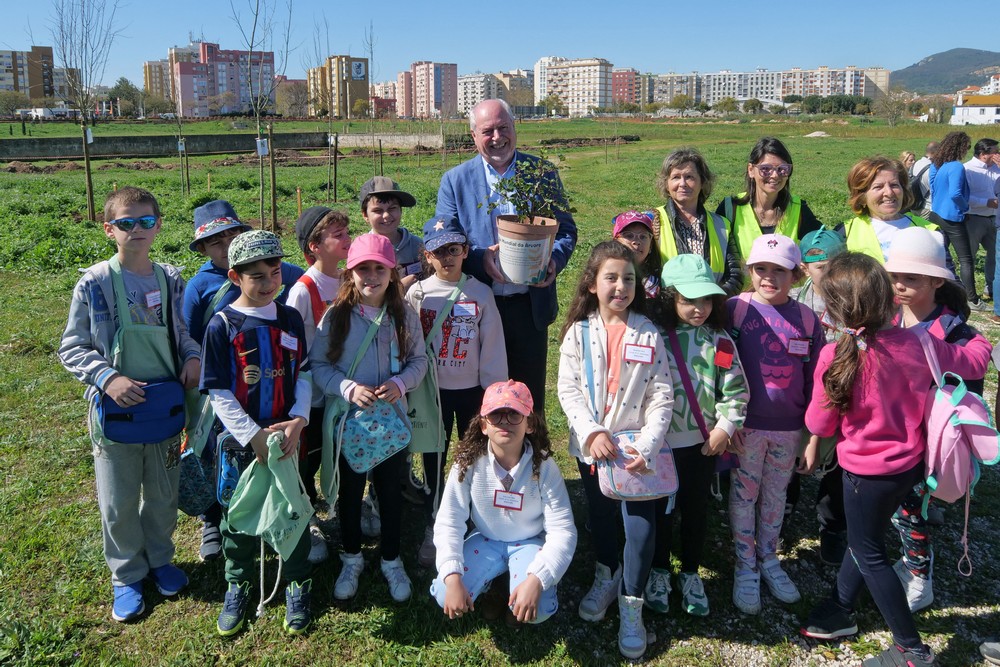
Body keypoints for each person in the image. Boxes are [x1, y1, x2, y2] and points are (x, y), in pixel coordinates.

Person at [800, 252, 991, 667]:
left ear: (834, 310)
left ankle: (911, 649)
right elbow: (977, 358)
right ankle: (839, 610)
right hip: (910, 466)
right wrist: (974, 334)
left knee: (869, 552)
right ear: (889, 298)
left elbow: (820, 420)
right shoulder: (922, 343)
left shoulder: (835, 356)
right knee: (864, 538)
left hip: (863, 474)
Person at [58, 186, 201, 622]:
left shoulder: (169, 279)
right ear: (109, 229)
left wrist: (192, 355)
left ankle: (160, 560)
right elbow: (73, 347)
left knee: (162, 493)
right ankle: (125, 574)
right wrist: (109, 378)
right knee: (118, 500)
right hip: (116, 412)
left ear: (158, 226)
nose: (136, 230)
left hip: (163, 410)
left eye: (145, 221)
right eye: (126, 223)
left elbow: (182, 331)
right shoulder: (95, 284)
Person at [557, 241, 673, 659]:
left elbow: (662, 393)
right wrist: (591, 433)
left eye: (628, 278)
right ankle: (607, 574)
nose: (620, 286)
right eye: (611, 278)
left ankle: (631, 604)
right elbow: (567, 389)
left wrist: (647, 444)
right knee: (603, 520)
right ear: (591, 284)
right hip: (593, 451)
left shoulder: (647, 331)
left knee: (641, 530)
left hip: (638, 454)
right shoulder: (578, 332)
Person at [199, 230, 314, 636]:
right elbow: (218, 390)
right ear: (234, 277)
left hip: (287, 438)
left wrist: (299, 420)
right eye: (257, 277)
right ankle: (240, 580)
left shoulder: (290, 318)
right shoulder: (223, 325)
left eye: (275, 272)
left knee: (293, 507)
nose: (269, 284)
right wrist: (252, 435)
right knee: (237, 513)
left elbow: (303, 373)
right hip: (240, 442)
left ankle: (298, 581)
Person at [435, 98, 577, 413]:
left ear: (515, 128)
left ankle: (531, 459)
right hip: (476, 308)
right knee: (482, 401)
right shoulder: (455, 182)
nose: (497, 137)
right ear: (473, 136)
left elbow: (566, 231)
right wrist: (479, 259)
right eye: (488, 131)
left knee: (529, 401)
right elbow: (445, 242)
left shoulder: (541, 173)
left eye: (504, 128)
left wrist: (553, 262)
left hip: (528, 308)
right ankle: (483, 460)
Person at [182, 200, 305, 562]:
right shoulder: (200, 287)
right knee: (219, 459)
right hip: (222, 384)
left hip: (275, 397)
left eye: (232, 234)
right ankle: (214, 519)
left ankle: (281, 527)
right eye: (215, 241)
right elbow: (190, 333)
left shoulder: (270, 272)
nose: (224, 244)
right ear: (203, 248)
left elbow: (300, 278)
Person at [310, 234, 428, 603]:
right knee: (350, 490)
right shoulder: (336, 315)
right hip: (350, 424)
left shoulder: (404, 314)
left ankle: (392, 560)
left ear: (392, 273)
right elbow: (319, 365)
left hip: (390, 424)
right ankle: (351, 557)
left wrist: (399, 383)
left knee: (390, 490)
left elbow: (419, 361)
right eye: (364, 268)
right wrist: (346, 388)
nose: (371, 276)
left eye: (380, 268)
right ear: (350, 272)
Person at [883, 226, 990, 614]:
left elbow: (970, 385)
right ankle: (910, 562)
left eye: (911, 278)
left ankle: (919, 578)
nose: (900, 285)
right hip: (894, 432)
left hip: (929, 439)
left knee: (913, 508)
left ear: (935, 281)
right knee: (901, 509)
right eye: (895, 277)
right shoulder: (888, 315)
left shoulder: (954, 331)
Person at [646, 254, 748, 618]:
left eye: (705, 299)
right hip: (658, 447)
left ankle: (689, 571)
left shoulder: (719, 342)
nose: (699, 308)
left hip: (701, 446)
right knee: (659, 510)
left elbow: (735, 390)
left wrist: (725, 428)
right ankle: (659, 570)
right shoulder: (652, 338)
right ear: (668, 297)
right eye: (688, 300)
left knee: (695, 510)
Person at [727, 234, 823, 615]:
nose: (769, 277)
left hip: (789, 429)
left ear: (796, 275)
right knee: (744, 493)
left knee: (776, 495)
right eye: (761, 269)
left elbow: (817, 379)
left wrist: (812, 436)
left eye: (779, 271)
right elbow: (720, 366)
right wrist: (725, 420)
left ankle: (769, 557)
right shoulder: (735, 309)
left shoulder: (806, 319)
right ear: (750, 271)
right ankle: (744, 563)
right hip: (746, 427)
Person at [429, 380, 577, 626]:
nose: (505, 421)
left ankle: (513, 586)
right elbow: (449, 521)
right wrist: (452, 575)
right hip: (486, 539)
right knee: (445, 591)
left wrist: (536, 580)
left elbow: (563, 530)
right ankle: (496, 585)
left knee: (538, 609)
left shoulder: (545, 467)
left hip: (529, 542)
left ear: (529, 424)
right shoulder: (467, 464)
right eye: (496, 414)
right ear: (484, 425)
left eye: (514, 414)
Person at [405, 215, 508, 569]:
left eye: (454, 248)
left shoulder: (480, 293)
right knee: (433, 459)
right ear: (426, 256)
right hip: (430, 393)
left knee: (473, 458)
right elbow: (407, 345)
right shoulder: (417, 294)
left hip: (471, 395)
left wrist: (493, 395)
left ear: (465, 251)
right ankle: (435, 524)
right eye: (438, 251)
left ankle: (472, 520)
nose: (447, 257)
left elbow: (492, 346)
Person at [285, 206, 352, 564]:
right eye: (337, 235)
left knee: (340, 450)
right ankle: (307, 517)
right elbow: (296, 352)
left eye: (346, 232)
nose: (347, 239)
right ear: (314, 246)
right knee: (308, 459)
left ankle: (343, 503)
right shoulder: (303, 290)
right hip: (313, 394)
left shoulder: (347, 280)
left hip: (342, 390)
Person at [789, 230, 849, 566]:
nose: (824, 274)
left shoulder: (855, 304)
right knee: (792, 460)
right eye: (816, 267)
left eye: (831, 266)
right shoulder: (794, 303)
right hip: (801, 396)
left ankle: (832, 525)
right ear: (803, 267)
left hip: (844, 400)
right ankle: (784, 508)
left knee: (840, 467)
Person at [652, 147, 742, 296]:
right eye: (676, 177)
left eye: (690, 177)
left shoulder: (722, 225)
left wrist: (713, 301)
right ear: (666, 184)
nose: (683, 183)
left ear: (702, 182)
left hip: (710, 313)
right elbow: (643, 273)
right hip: (668, 314)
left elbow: (735, 276)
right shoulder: (652, 220)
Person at [717, 137, 823, 264]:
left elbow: (823, 247)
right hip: (743, 285)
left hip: (787, 285)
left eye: (782, 169)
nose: (774, 175)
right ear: (751, 170)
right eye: (765, 169)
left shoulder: (799, 209)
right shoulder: (730, 208)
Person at [837, 156, 940, 264]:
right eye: (878, 187)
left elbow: (947, 279)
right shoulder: (845, 232)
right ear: (861, 196)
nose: (889, 193)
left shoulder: (929, 231)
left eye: (894, 185)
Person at [929, 131, 977, 306]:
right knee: (965, 259)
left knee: (939, 255)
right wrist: (965, 207)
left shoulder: (939, 165)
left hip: (937, 214)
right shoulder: (956, 166)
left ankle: (938, 291)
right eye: (967, 148)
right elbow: (956, 193)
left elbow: (933, 187)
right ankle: (972, 298)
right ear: (961, 148)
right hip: (953, 218)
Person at [359, 176, 423, 291]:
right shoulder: (361, 250)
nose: (386, 215)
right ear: (365, 215)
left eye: (392, 208)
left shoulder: (418, 246)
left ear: (401, 210)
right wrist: (399, 289)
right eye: (377, 210)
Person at [964, 138, 1000, 307]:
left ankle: (991, 287)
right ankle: (968, 292)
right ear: (984, 154)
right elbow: (963, 196)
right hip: (974, 218)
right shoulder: (967, 169)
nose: (998, 154)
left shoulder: (997, 169)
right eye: (995, 151)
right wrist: (985, 202)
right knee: (969, 256)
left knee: (994, 255)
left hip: (994, 219)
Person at [612, 210, 661, 298]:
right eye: (629, 236)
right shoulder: (606, 276)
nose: (637, 242)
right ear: (615, 241)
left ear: (650, 246)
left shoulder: (660, 281)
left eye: (643, 236)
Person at [910, 142, 939, 218]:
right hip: (927, 208)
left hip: (914, 205)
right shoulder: (933, 169)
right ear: (936, 152)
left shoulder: (915, 164)